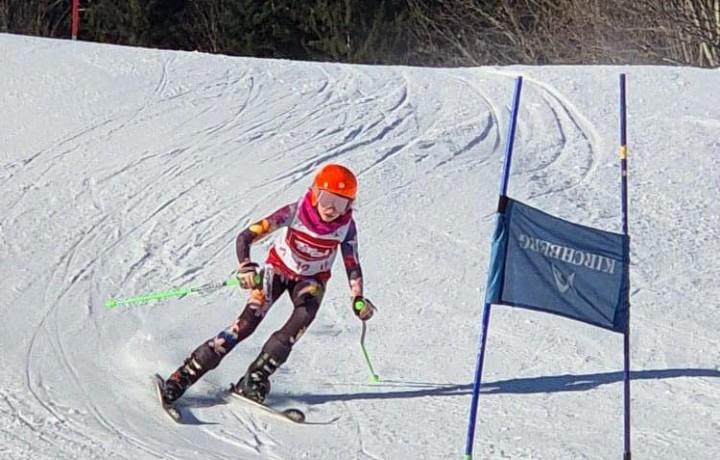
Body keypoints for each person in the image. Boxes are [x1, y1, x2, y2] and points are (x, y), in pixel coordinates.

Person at [160, 163, 375, 405]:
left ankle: (255, 378)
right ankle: (183, 376)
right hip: (277, 271)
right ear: (314, 192)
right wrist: (246, 266)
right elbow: (246, 236)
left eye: (342, 203)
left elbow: (352, 263)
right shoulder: (295, 212)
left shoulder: (346, 227)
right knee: (245, 324)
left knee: (299, 323)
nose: (331, 209)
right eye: (326, 198)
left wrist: (358, 297)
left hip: (312, 281)